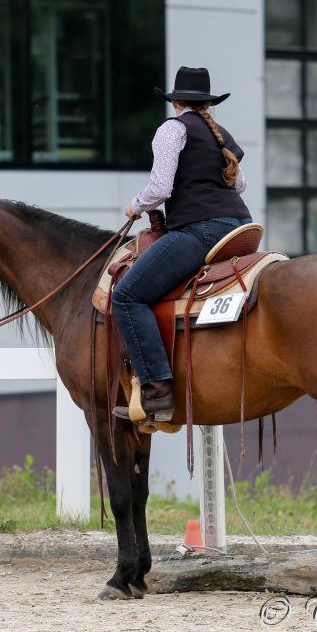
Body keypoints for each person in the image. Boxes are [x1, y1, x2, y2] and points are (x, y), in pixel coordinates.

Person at [111, 66, 252, 422]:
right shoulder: (220, 134)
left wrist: (135, 206)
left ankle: (157, 390)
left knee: (127, 296)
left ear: (175, 101)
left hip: (201, 230)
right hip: (240, 227)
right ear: (207, 103)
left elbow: (161, 188)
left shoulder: (172, 130)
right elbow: (240, 185)